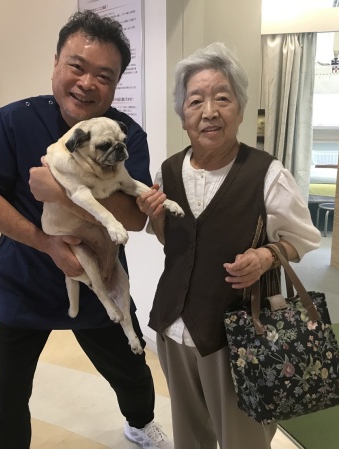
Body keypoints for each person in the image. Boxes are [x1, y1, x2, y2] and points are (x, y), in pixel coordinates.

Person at [0, 10, 172, 449]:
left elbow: (135, 219)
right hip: (24, 283)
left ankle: (140, 424)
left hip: (101, 278)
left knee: (131, 370)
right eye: (77, 66)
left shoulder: (124, 134)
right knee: (9, 393)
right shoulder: (14, 121)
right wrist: (46, 243)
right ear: (56, 63)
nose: (87, 83)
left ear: (116, 84)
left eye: (104, 75)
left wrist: (61, 192)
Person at [136, 42, 322, 449]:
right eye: (195, 101)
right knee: (190, 435)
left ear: (240, 109)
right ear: (182, 114)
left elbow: (303, 238)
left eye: (222, 98)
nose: (209, 112)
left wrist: (266, 255)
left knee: (244, 439)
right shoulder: (168, 171)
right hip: (173, 326)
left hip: (238, 333)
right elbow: (174, 244)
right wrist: (157, 218)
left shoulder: (266, 173)